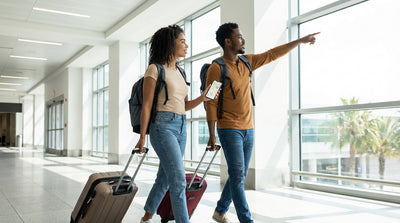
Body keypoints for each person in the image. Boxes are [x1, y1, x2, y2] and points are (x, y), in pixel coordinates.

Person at [205, 22, 319, 223]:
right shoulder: (216, 68)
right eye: (239, 37)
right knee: (238, 176)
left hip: (248, 129)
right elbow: (211, 102)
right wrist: (212, 135)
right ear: (228, 41)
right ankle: (246, 220)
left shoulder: (247, 62)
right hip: (229, 129)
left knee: (237, 175)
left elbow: (273, 54)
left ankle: (220, 210)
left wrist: (300, 41)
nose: (243, 40)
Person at [135, 25, 215, 223]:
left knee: (164, 176)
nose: (186, 45)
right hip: (162, 127)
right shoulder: (154, 69)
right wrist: (142, 137)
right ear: (170, 44)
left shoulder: (181, 72)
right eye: (182, 41)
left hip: (181, 126)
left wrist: (203, 98)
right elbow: (146, 106)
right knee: (178, 180)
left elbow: (185, 105)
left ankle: (146, 216)